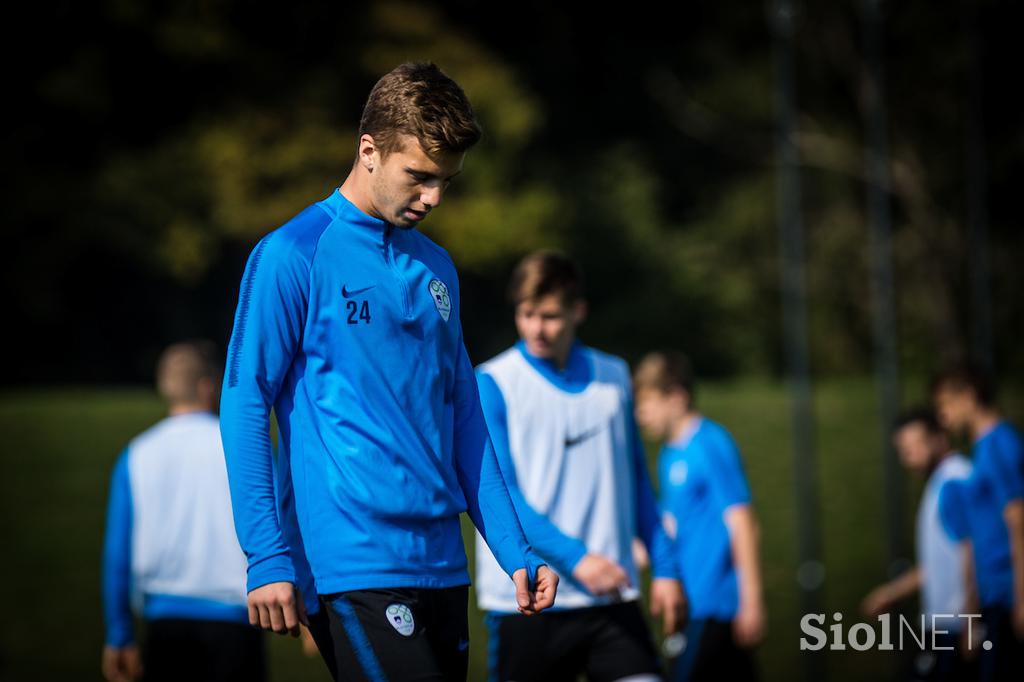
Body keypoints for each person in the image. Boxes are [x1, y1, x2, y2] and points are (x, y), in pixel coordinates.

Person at [219, 61, 558, 682]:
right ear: (368, 150)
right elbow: (244, 402)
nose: (433, 198)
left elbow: (464, 415)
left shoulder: (438, 269)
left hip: (442, 564)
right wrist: (266, 555)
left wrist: (514, 550)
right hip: (351, 561)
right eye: (420, 177)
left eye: (446, 182)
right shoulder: (292, 254)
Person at [474, 251, 686, 682]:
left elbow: (637, 484)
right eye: (527, 314)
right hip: (526, 601)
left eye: (550, 316)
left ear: (578, 311)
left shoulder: (615, 377)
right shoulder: (493, 381)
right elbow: (503, 498)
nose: (537, 328)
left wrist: (665, 568)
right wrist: (577, 559)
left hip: (610, 600)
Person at [101, 341, 263, 682]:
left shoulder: (136, 454)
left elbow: (117, 554)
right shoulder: (240, 447)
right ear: (208, 386)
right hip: (236, 621)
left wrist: (119, 634)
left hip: (165, 624)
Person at [633, 351, 765, 682]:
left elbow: (743, 521)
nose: (640, 414)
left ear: (676, 398)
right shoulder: (669, 454)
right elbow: (673, 525)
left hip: (712, 603)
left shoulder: (710, 443)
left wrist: (751, 601)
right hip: (689, 600)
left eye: (647, 403)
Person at [860, 408, 973, 681]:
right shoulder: (940, 482)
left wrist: (972, 621)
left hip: (955, 626)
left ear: (937, 438)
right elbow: (938, 563)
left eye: (913, 447)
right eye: (902, 449)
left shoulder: (955, 481)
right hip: (942, 627)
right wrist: (891, 593)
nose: (907, 457)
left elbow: (972, 552)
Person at [933, 366, 1024, 681]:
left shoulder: (1000, 443)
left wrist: (1022, 598)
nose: (942, 416)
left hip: (1008, 593)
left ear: (969, 397)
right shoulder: (983, 448)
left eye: (946, 404)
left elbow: (1017, 521)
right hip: (993, 595)